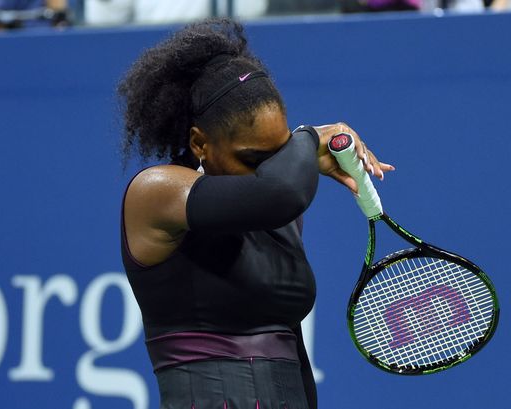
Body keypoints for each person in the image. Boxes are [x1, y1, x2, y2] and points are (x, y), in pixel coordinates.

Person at [118, 18, 394, 409]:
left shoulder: (279, 217)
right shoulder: (156, 191)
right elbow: (280, 191)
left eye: (278, 155)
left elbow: (293, 355)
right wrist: (310, 137)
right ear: (199, 143)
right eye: (253, 158)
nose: (271, 167)